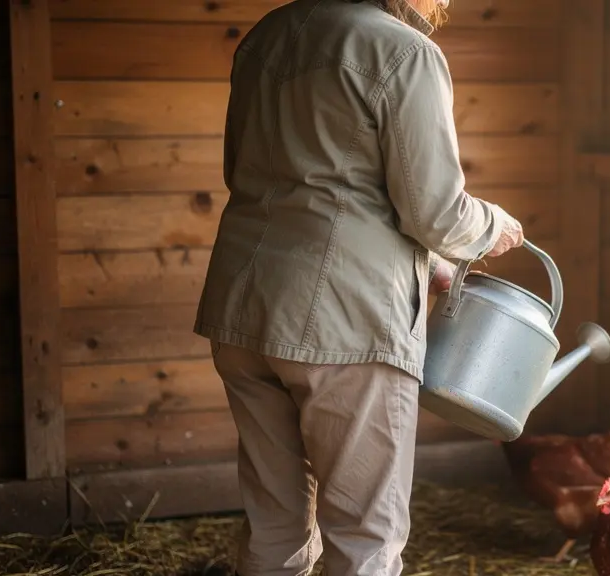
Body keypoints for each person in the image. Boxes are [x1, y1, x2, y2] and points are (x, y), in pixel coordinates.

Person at [191, 0, 525, 575]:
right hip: (346, 323)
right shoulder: (404, 50)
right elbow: (437, 214)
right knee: (366, 538)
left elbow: (260, 176)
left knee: (275, 528)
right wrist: (495, 226)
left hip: (243, 305)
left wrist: (428, 268)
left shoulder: (266, 36)